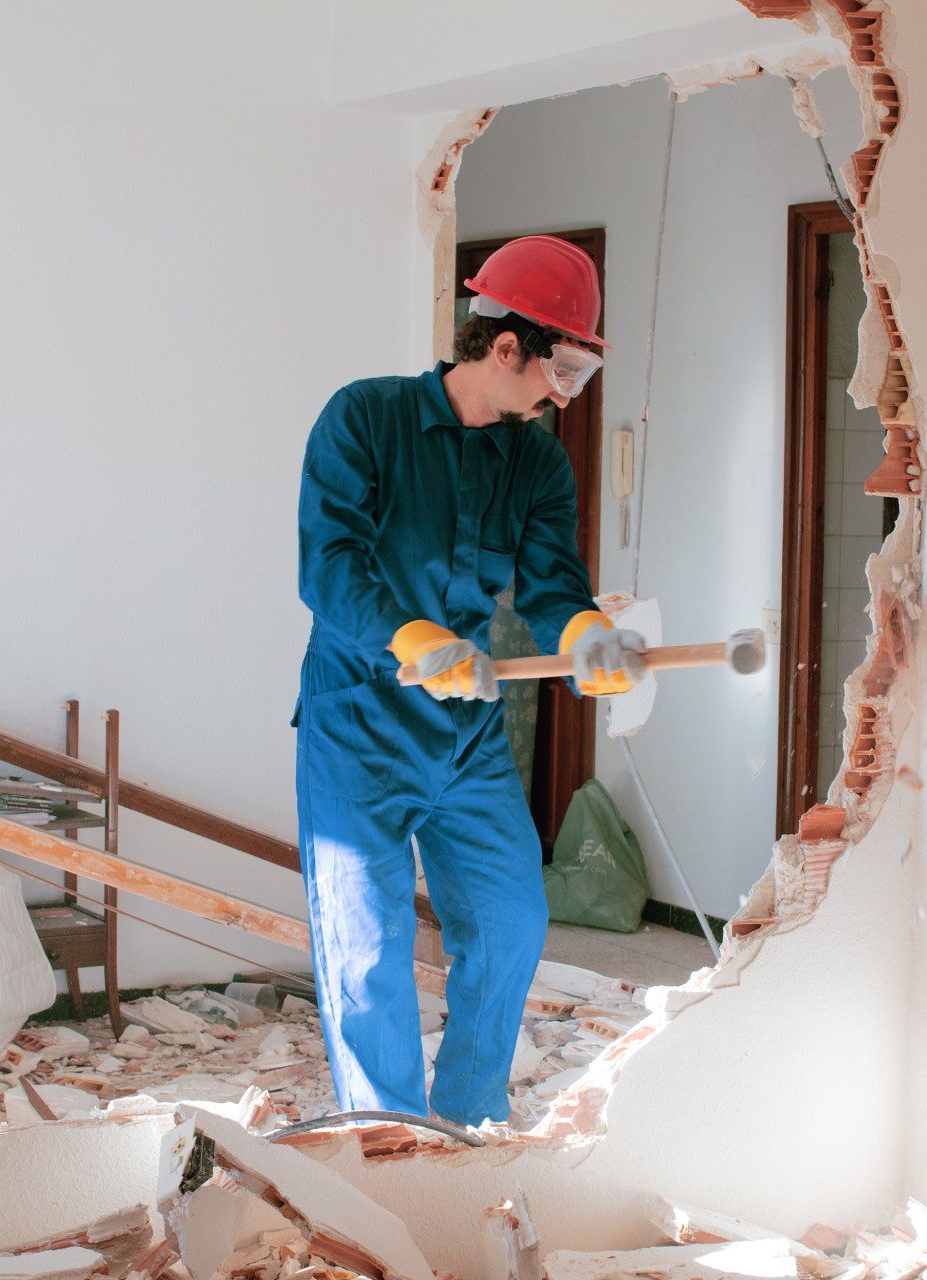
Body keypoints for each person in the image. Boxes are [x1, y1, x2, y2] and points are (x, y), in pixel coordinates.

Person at [294, 235, 648, 1128]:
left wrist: (587, 635)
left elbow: (553, 580)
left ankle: (464, 1124)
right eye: (558, 366)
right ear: (504, 346)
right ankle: (385, 1142)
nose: (560, 393)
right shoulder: (363, 419)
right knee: (367, 956)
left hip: (466, 735)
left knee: (510, 922)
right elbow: (328, 567)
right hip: (358, 725)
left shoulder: (536, 462)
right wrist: (411, 636)